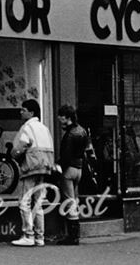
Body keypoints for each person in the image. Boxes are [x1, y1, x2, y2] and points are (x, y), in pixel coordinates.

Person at [9, 98, 54, 247]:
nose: (21, 112)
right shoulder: (44, 128)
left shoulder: (28, 127)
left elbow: (20, 147)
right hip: (44, 168)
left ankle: (28, 235)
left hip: (30, 167)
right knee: (38, 204)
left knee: (24, 201)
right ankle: (40, 237)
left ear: (31, 112)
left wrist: (13, 155)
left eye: (23, 110)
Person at [56, 104, 89, 245]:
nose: (58, 118)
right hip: (79, 168)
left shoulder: (69, 135)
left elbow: (66, 156)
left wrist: (58, 166)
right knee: (74, 199)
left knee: (69, 201)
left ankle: (73, 236)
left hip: (69, 169)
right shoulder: (82, 131)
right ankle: (74, 234)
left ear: (67, 118)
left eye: (61, 116)